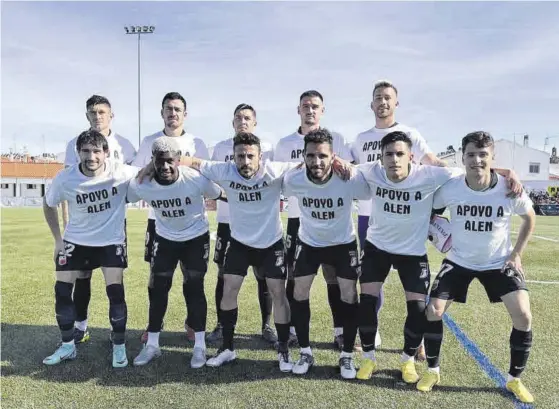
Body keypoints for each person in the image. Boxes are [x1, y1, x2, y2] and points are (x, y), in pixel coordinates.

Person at [354, 131, 521, 384]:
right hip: (377, 247)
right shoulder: (371, 171)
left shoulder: (431, 174)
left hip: (412, 251)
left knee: (418, 308)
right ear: (381, 157)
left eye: (400, 154)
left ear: (411, 157)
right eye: (389, 154)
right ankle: (368, 357)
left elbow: (472, 168)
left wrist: (505, 171)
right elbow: (342, 166)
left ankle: (407, 360)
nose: (394, 159)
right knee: (366, 301)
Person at [418, 131, 535, 404]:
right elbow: (429, 209)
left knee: (524, 316)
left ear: (492, 157)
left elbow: (529, 218)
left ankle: (514, 379)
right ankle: (433, 371)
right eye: (471, 154)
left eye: (483, 155)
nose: (477, 160)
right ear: (463, 157)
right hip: (459, 260)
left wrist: (516, 254)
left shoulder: (508, 186)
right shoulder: (452, 187)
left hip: (498, 262)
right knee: (433, 311)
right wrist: (437, 233)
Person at [350, 80, 445, 352]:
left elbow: (432, 162)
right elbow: (355, 169)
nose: (383, 102)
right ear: (371, 104)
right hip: (370, 217)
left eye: (388, 97)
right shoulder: (361, 138)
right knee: (370, 282)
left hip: (406, 216)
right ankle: (372, 332)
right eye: (378, 97)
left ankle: (418, 344)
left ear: (396, 103)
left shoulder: (409, 133)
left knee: (413, 285)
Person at [43, 130, 137, 367]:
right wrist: (58, 240)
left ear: (106, 153)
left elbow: (147, 174)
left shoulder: (121, 171)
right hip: (76, 240)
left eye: (96, 151)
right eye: (85, 151)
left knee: (115, 292)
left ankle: (118, 347)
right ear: (78, 153)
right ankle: (67, 346)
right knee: (62, 291)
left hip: (110, 241)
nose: (91, 156)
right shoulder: (66, 178)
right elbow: (48, 204)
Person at [127, 137, 222, 368]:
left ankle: (199, 347)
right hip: (165, 238)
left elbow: (218, 193)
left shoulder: (195, 179)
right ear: (153, 162)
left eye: (171, 161)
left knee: (194, 287)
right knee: (157, 288)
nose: (166, 167)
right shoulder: (143, 183)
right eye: (160, 162)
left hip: (195, 238)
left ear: (178, 161)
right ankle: (152, 345)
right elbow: (125, 194)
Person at [283, 129, 370, 379]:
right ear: (304, 156)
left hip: (342, 244)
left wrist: (351, 168)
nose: (316, 162)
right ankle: (305, 351)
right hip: (309, 243)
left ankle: (346, 356)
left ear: (333, 156)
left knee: (349, 294)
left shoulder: (348, 178)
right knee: (299, 292)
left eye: (322, 156)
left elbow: (367, 190)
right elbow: (282, 180)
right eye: (311, 156)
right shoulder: (294, 179)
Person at [275, 90, 353, 349]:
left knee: (335, 278)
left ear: (323, 110)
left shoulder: (338, 139)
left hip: (332, 220)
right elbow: (278, 180)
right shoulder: (284, 143)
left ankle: (340, 330)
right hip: (299, 219)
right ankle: (296, 331)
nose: (310, 110)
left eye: (315, 106)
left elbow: (347, 174)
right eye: (305, 106)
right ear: (298, 110)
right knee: (295, 279)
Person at [132, 92, 210, 343]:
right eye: (168, 108)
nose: (172, 113)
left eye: (177, 109)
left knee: (193, 278)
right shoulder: (149, 141)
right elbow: (138, 175)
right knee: (158, 278)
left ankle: (192, 322)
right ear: (162, 112)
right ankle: (154, 324)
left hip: (191, 221)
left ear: (185, 114)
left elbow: (206, 174)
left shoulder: (197, 142)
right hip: (159, 219)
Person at [62, 95, 136, 345]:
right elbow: (67, 186)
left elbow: (133, 182)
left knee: (114, 278)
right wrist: (65, 228)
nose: (97, 117)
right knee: (82, 276)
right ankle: (81, 326)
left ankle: (117, 336)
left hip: (113, 224)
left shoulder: (125, 145)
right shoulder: (74, 144)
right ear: (86, 116)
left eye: (102, 112)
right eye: (92, 112)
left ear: (111, 115)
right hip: (82, 226)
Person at [206, 103, 277, 345]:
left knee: (264, 276)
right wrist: (222, 195)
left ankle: (267, 325)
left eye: (247, 117)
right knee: (224, 276)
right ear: (232, 122)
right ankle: (221, 324)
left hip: (259, 223)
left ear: (255, 122)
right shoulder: (220, 149)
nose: (242, 121)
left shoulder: (267, 148)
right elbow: (209, 179)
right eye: (238, 118)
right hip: (228, 221)